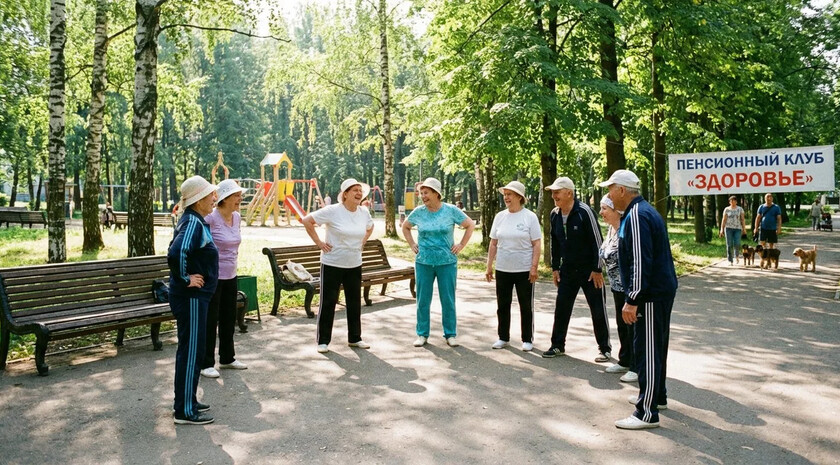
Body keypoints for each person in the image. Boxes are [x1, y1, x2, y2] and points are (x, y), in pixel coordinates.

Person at [600, 169, 678, 430]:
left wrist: (632, 298)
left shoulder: (636, 215)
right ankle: (657, 396)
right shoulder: (642, 211)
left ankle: (646, 412)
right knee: (654, 346)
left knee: (648, 349)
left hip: (650, 295)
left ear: (622, 190)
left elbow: (640, 261)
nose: (609, 195)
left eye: (611, 189)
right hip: (657, 291)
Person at [542, 177, 611, 362]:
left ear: (569, 193)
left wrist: (598, 269)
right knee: (561, 308)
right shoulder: (554, 214)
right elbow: (554, 243)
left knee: (597, 309)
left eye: (557, 192)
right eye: (552, 192)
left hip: (590, 271)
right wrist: (555, 268)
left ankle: (605, 349)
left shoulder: (584, 212)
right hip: (567, 270)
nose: (554, 195)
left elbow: (598, 241)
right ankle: (557, 345)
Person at [167, 176, 219, 425]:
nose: (214, 199)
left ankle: (187, 400)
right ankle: (185, 411)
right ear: (198, 199)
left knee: (193, 351)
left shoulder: (195, 220)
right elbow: (176, 252)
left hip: (195, 299)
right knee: (191, 353)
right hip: (191, 299)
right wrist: (185, 278)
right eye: (210, 195)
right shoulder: (192, 222)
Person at [302, 178, 375, 354]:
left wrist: (363, 241)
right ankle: (323, 341)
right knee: (328, 302)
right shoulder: (333, 211)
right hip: (332, 263)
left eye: (360, 190)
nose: (359, 193)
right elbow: (307, 220)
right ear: (345, 194)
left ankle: (355, 338)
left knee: (354, 302)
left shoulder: (363, 212)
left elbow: (370, 227)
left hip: (354, 263)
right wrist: (319, 243)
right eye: (355, 190)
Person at [402, 177, 475, 347]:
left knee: (448, 299)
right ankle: (422, 334)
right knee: (422, 300)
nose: (423, 196)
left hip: (447, 262)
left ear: (436, 193)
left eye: (426, 193)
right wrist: (412, 243)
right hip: (424, 262)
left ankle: (450, 334)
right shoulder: (419, 212)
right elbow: (405, 226)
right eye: (421, 193)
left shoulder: (450, 210)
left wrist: (461, 245)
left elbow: (470, 225)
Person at [485, 181, 541, 352]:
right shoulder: (500, 216)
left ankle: (527, 339)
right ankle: (503, 337)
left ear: (519, 197)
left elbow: (536, 244)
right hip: (503, 268)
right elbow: (493, 243)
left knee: (526, 305)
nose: (506, 197)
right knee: (502, 305)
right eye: (505, 194)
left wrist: (534, 267)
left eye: (509, 194)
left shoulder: (529, 217)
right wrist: (489, 266)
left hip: (524, 269)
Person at [200, 179, 248, 378]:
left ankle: (227, 358)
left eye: (240, 195)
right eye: (236, 195)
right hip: (213, 276)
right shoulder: (210, 218)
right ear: (225, 198)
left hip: (231, 275)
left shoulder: (236, 217)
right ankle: (206, 363)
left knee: (229, 317)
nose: (240, 199)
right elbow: (198, 244)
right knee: (211, 320)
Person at [598, 194, 637, 383]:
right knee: (622, 325)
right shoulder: (611, 230)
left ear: (616, 211)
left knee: (633, 327)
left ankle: (637, 367)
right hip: (616, 286)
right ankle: (625, 360)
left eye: (604, 208)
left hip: (629, 287)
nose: (601, 212)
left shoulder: (626, 228)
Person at [719, 196, 746, 266]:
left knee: (737, 243)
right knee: (729, 244)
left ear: (736, 202)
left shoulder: (740, 209)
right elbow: (724, 220)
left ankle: (736, 256)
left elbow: (742, 219)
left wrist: (744, 229)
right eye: (731, 201)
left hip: (737, 228)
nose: (733, 202)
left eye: (734, 201)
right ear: (729, 202)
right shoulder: (727, 209)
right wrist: (722, 229)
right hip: (728, 228)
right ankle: (730, 260)